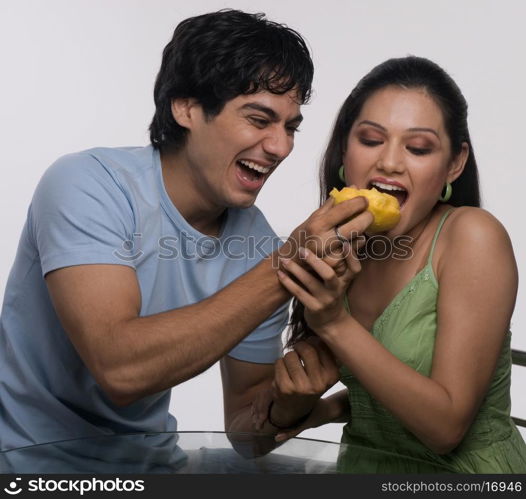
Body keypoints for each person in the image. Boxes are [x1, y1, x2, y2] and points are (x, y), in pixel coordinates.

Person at [0, 9, 371, 452]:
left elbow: (246, 432)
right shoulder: (88, 184)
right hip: (26, 463)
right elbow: (120, 369)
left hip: (154, 466)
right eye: (259, 119)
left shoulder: (261, 250)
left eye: (290, 127)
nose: (281, 147)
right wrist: (289, 265)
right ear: (187, 108)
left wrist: (295, 403)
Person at [265, 56, 526, 473]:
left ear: (454, 164)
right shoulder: (345, 245)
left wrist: (334, 323)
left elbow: (446, 426)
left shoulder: (472, 236)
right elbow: (390, 381)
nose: (389, 162)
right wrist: (312, 408)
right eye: (370, 140)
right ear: (344, 152)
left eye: (418, 148)